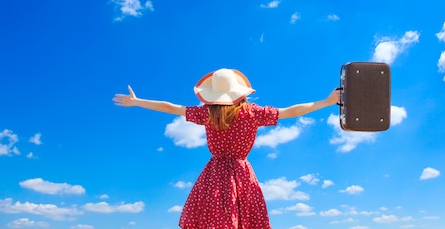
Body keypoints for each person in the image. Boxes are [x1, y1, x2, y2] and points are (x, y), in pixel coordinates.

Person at [113, 68, 341, 229]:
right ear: (239, 92)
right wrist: (327, 101)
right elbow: (292, 111)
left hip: (214, 174)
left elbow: (171, 108)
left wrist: (137, 101)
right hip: (242, 174)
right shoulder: (252, 114)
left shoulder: (206, 114)